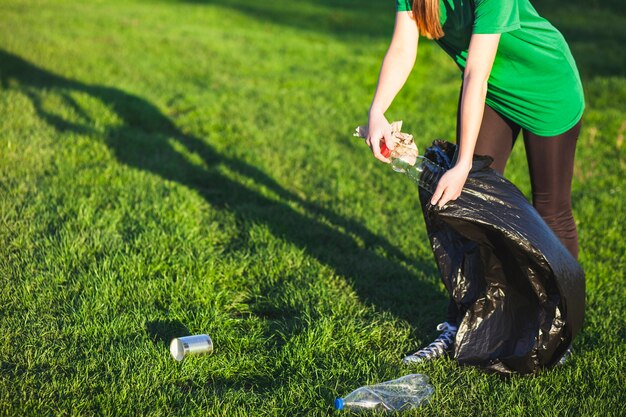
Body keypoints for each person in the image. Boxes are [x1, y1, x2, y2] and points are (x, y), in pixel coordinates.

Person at [364, 0, 584, 364]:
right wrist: (377, 112)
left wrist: (464, 162)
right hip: (495, 91)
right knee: (467, 203)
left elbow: (474, 75)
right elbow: (403, 47)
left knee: (551, 209)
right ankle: (461, 323)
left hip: (546, 87)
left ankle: (561, 335)